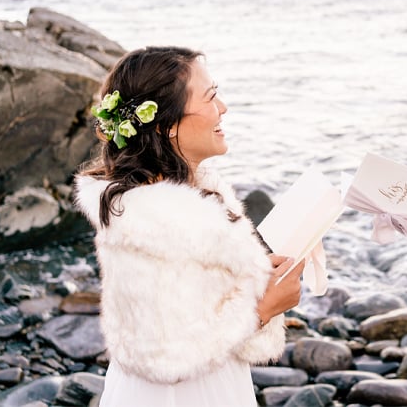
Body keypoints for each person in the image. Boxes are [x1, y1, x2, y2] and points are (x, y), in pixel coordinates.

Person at [74, 46, 305, 406]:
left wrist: (259, 279)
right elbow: (163, 353)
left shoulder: (196, 194)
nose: (223, 107)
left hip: (213, 384)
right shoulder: (144, 220)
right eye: (211, 97)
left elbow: (198, 304)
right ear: (166, 126)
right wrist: (262, 310)